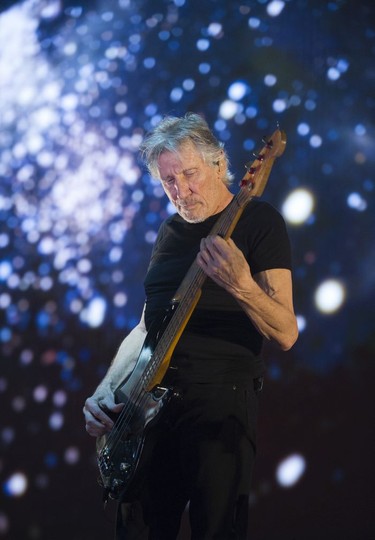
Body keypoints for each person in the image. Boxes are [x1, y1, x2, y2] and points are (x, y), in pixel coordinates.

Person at [83, 112, 298, 539]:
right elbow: (147, 326)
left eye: (190, 173)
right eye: (169, 181)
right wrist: (106, 389)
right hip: (149, 407)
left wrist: (241, 286)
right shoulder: (169, 232)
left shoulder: (260, 222)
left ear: (220, 164)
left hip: (219, 405)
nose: (182, 190)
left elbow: (286, 332)